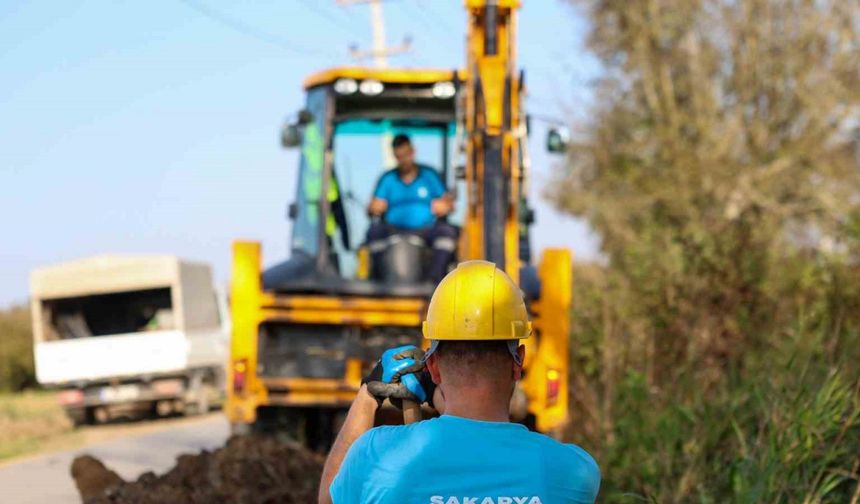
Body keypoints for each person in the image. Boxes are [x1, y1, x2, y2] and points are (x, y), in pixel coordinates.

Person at [318, 261, 601, 504]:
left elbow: (328, 500)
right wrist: (438, 395)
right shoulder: (570, 470)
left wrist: (368, 394)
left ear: (433, 366)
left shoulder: (377, 454)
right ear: (519, 362)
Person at [366, 133, 458, 283]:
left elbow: (449, 204)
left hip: (425, 229)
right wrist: (373, 208)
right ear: (395, 157)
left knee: (447, 232)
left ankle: (435, 281)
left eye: (406, 154)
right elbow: (371, 208)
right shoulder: (387, 179)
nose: (404, 160)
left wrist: (445, 206)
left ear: (413, 152)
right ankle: (379, 280)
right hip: (393, 229)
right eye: (399, 156)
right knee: (374, 232)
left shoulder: (429, 176)